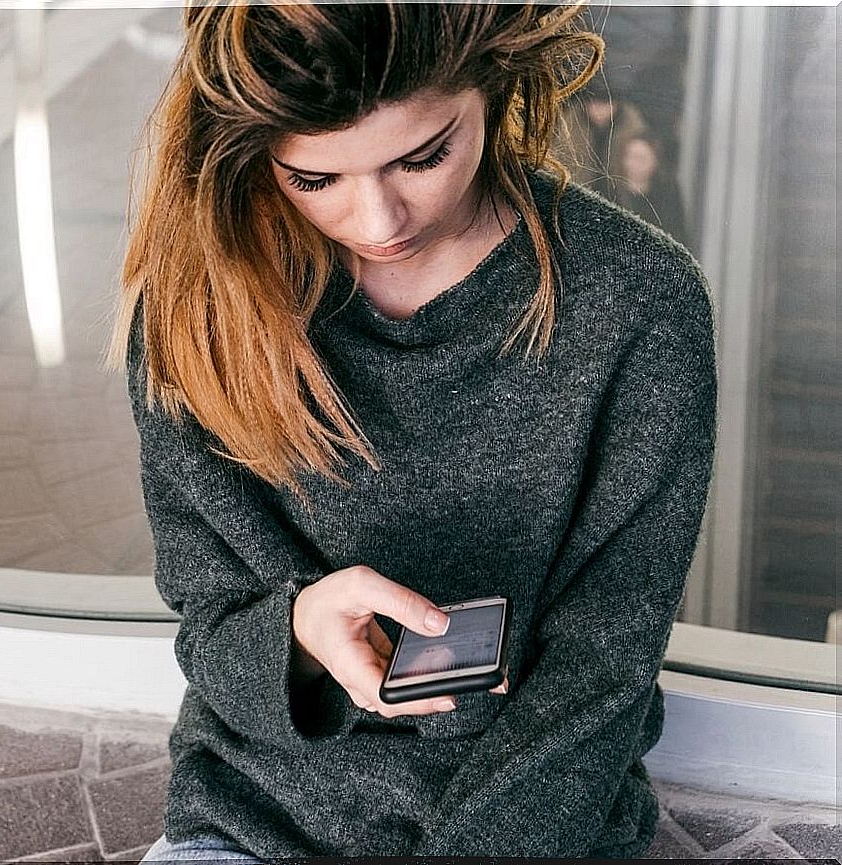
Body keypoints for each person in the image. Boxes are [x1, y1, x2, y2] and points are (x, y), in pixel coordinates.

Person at [104, 1, 718, 859]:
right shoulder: (201, 310)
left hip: (529, 819)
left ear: (496, 85)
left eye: (423, 156)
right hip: (256, 820)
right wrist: (298, 635)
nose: (378, 221)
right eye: (313, 180)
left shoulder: (637, 303)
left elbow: (601, 668)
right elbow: (209, 625)